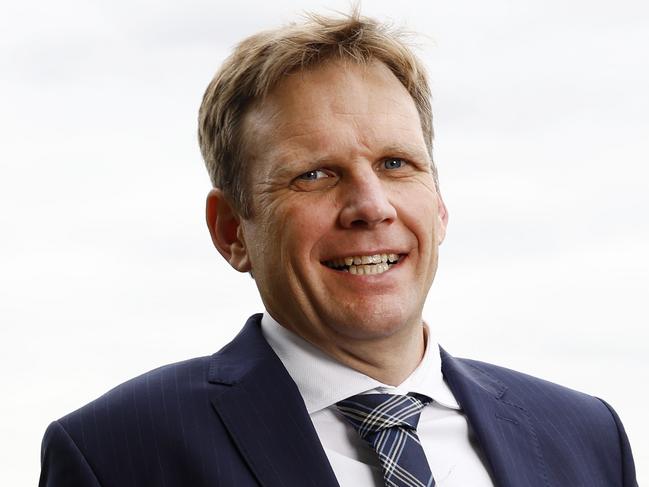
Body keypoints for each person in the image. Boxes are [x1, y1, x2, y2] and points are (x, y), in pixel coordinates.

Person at [39, 11, 637, 487]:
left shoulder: (587, 437)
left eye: (396, 164)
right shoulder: (114, 454)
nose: (371, 206)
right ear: (231, 231)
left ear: (440, 202)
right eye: (315, 175)